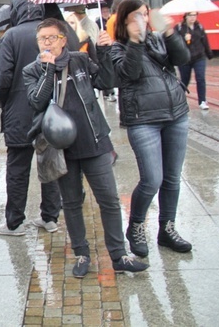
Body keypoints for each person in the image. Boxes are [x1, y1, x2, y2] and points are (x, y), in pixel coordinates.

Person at [23, 19, 149, 276]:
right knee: (70, 203)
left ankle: (119, 255)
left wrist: (102, 51)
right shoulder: (33, 69)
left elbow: (105, 81)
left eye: (52, 37)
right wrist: (48, 70)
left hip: (94, 141)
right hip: (61, 149)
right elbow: (36, 101)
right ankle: (81, 254)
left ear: (63, 39)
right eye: (42, 39)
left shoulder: (79, 60)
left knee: (110, 201)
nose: (47, 43)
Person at [111, 0, 193, 258]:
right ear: (124, 20)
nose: (143, 20)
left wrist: (169, 32)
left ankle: (167, 229)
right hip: (143, 119)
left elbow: (183, 58)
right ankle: (135, 226)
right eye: (136, 15)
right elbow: (130, 74)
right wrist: (135, 41)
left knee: (172, 177)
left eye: (145, 14)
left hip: (176, 114)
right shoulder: (116, 48)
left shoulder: (158, 39)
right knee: (152, 180)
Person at [0, 0, 61, 236]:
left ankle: (15, 222)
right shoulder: (52, 31)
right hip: (50, 110)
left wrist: (5, 101)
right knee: (49, 164)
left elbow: (2, 77)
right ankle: (50, 217)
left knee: (18, 169)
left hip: (19, 111)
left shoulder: (11, 36)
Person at [175, 11, 213, 110]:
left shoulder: (199, 27)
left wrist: (209, 54)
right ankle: (178, 99)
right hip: (184, 59)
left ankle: (202, 101)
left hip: (199, 57)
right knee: (185, 80)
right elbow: (174, 43)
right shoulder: (179, 28)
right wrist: (184, 38)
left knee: (200, 78)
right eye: (190, 15)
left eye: (194, 15)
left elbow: (205, 41)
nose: (193, 17)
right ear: (185, 16)